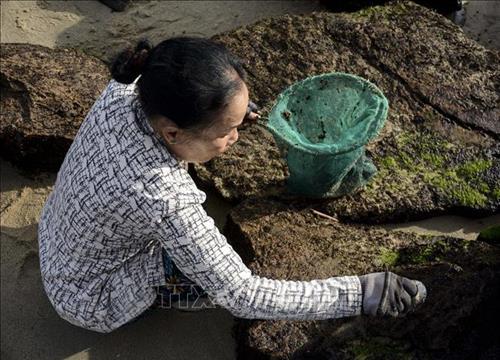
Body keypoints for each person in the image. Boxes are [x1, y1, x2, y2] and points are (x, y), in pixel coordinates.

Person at [37, 37, 426, 333]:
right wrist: (361, 292)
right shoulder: (163, 198)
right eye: (228, 130)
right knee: (208, 280)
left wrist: (234, 112)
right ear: (172, 131)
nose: (235, 136)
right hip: (91, 297)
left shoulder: (129, 87)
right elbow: (243, 294)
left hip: (56, 234)